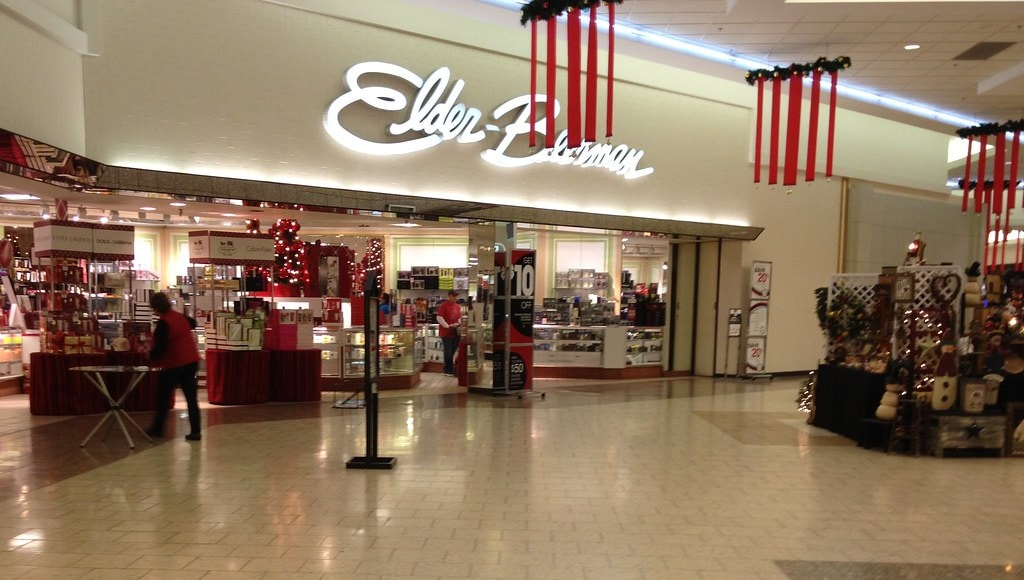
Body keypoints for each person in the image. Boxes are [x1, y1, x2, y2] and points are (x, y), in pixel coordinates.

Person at [145, 292, 202, 441]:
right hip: (191, 361)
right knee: (191, 398)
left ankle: (158, 428)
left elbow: (161, 348)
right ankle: (196, 430)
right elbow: (194, 323)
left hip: (174, 364)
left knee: (163, 397)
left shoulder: (163, 323)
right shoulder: (180, 317)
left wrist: (150, 355)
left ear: (155, 308)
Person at [437, 289, 462, 377]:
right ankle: (447, 370)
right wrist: (447, 326)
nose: (455, 298)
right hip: (446, 332)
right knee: (448, 351)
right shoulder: (444, 306)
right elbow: (439, 318)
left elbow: (459, 318)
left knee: (452, 351)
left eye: (456, 296)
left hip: (455, 332)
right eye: (454, 296)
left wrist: (458, 323)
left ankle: (449, 368)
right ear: (449, 296)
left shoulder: (457, 306)